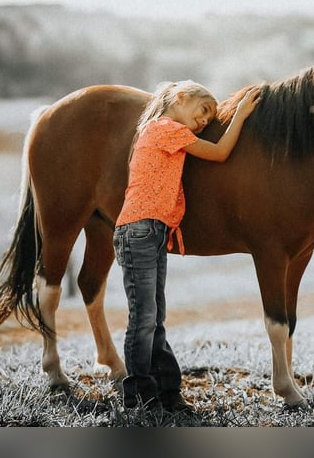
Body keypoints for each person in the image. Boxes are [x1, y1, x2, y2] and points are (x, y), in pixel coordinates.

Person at [114, 80, 261, 413]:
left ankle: (167, 392)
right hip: (139, 230)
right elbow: (220, 153)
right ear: (180, 98)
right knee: (144, 319)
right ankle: (138, 396)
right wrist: (239, 114)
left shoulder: (161, 131)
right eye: (203, 111)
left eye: (209, 120)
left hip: (151, 232)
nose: (204, 121)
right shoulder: (164, 128)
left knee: (154, 318)